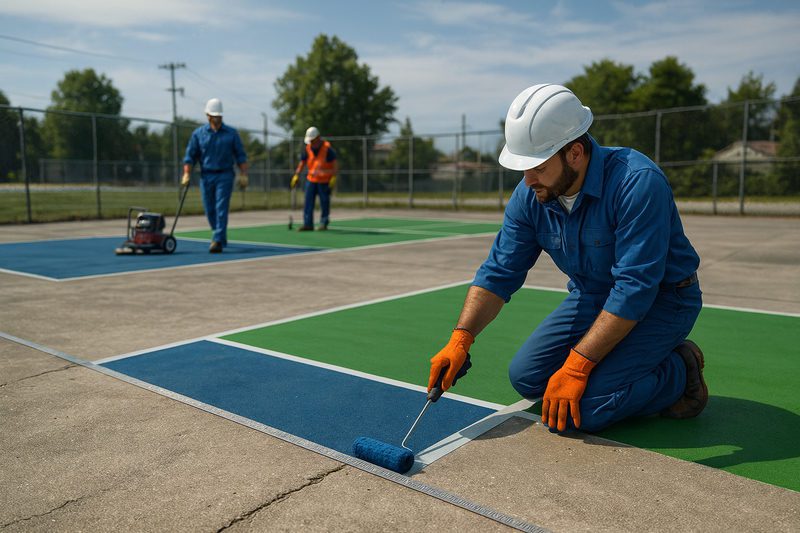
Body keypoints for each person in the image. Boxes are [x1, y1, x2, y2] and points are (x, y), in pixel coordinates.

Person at [428, 84, 707, 434]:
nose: (528, 180)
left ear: (574, 152)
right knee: (528, 379)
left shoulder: (636, 182)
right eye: (523, 169)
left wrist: (576, 367)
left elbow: (635, 288)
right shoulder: (531, 194)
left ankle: (679, 370)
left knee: (586, 409)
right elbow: (499, 272)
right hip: (593, 296)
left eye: (538, 168)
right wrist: (461, 339)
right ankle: (616, 365)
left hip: (663, 301)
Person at [182, 98, 248, 253]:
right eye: (214, 116)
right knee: (209, 209)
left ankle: (217, 239)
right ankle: (220, 235)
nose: (217, 119)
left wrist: (244, 174)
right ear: (208, 115)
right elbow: (190, 156)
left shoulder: (231, 134)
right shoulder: (198, 134)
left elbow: (240, 155)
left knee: (221, 207)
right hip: (206, 176)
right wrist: (186, 174)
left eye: (219, 116)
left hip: (225, 175)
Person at [290, 126, 338, 231]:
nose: (311, 143)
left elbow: (334, 165)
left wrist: (333, 177)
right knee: (308, 202)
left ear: (318, 138)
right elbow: (302, 163)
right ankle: (308, 224)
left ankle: (323, 222)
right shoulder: (307, 149)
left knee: (324, 202)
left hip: (324, 181)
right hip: (311, 180)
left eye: (312, 140)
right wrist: (296, 175)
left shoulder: (327, 149)